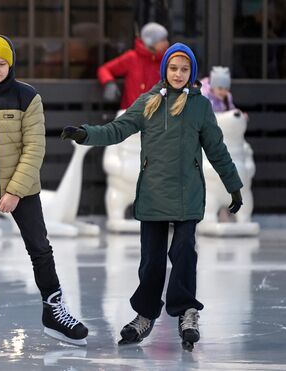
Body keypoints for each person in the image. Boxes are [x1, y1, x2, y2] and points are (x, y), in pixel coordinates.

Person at [61, 43, 244, 351]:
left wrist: (234, 186)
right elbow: (117, 129)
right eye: (173, 68)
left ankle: (187, 312)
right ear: (164, 71)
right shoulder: (148, 102)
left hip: (188, 195)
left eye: (184, 69)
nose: (178, 74)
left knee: (184, 251)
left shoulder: (199, 106)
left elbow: (217, 148)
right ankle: (145, 315)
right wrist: (85, 134)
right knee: (151, 261)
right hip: (153, 194)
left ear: (192, 73)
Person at [0, 35, 88, 351]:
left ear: (11, 64)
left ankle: (54, 311)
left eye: (2, 63)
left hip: (23, 191)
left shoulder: (27, 97)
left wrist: (14, 191)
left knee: (39, 247)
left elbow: (35, 147)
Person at [97, 22, 169, 109]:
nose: (167, 43)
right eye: (162, 40)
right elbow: (104, 69)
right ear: (151, 42)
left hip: (156, 114)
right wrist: (109, 83)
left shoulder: (166, 60)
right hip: (130, 114)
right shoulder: (131, 58)